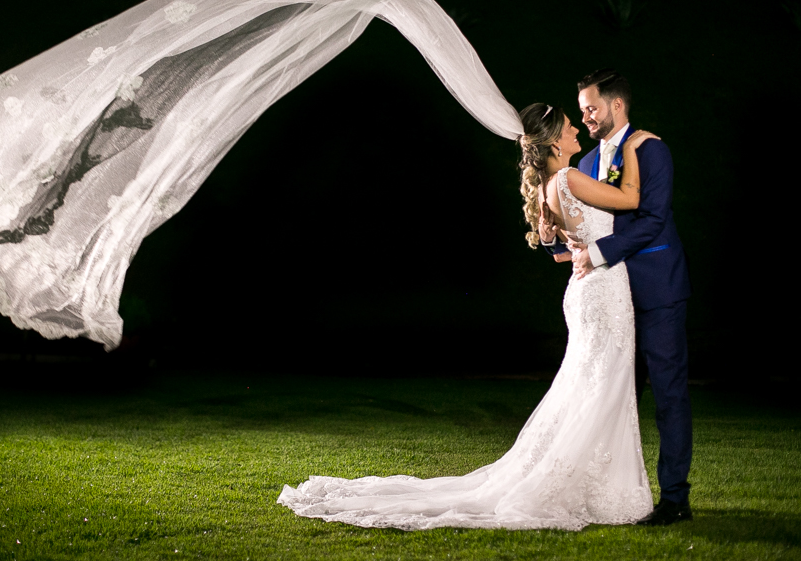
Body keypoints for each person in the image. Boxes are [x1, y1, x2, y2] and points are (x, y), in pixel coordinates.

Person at [277, 104, 657, 531]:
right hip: (602, 294)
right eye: (569, 127)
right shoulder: (568, 178)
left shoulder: (549, 186)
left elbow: (561, 253)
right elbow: (631, 199)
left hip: (591, 291)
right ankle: (593, 487)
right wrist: (634, 148)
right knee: (600, 388)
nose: (575, 131)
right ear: (554, 142)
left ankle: (591, 482)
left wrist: (583, 250)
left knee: (591, 388)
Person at [542, 69, 692, 526]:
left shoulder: (651, 149)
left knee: (668, 395)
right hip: (610, 300)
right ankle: (607, 494)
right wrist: (553, 240)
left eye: (591, 108)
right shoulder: (585, 162)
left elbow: (653, 219)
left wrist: (597, 253)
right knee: (608, 399)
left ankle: (674, 498)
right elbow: (580, 229)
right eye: (582, 109)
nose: (586, 116)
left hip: (656, 288)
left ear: (617, 105)